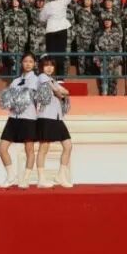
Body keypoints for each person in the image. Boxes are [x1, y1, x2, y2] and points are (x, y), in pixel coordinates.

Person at [0, 53, 41, 188]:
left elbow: (39, 99)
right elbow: (8, 98)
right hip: (13, 117)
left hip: (29, 118)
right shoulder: (15, 81)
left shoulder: (37, 80)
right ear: (21, 63)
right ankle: (11, 176)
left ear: (34, 64)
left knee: (29, 149)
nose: (28, 64)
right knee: (2, 147)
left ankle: (25, 179)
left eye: (31, 61)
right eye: (25, 61)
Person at [35, 56, 73, 188]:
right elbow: (59, 92)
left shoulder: (52, 80)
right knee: (44, 148)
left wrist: (61, 92)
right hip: (46, 117)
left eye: (51, 65)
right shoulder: (42, 77)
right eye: (46, 65)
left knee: (68, 145)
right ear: (41, 67)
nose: (49, 68)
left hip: (57, 117)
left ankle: (60, 176)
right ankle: (41, 179)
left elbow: (65, 92)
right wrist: (60, 92)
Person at [40, 0, 72, 76]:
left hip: (51, 31)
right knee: (61, 55)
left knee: (51, 55)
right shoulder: (63, 2)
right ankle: (60, 78)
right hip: (62, 30)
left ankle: (50, 77)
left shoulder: (47, 5)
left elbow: (41, 18)